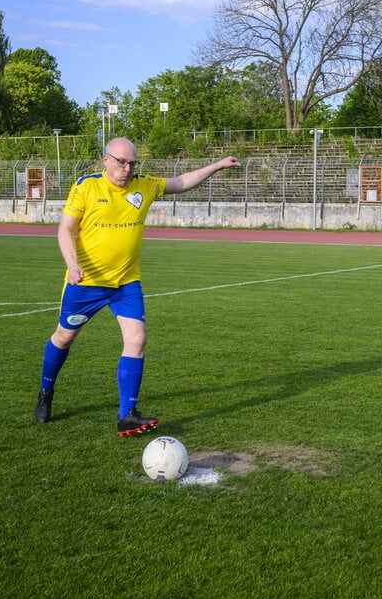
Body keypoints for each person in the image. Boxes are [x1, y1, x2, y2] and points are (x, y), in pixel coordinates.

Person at [35, 138, 241, 435]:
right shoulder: (86, 186)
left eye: (132, 163)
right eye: (121, 162)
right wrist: (72, 264)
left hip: (126, 283)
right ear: (104, 160)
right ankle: (46, 391)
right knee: (64, 337)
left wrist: (218, 165)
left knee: (137, 338)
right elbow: (65, 229)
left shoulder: (144, 185)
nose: (128, 169)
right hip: (87, 282)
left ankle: (127, 414)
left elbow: (181, 182)